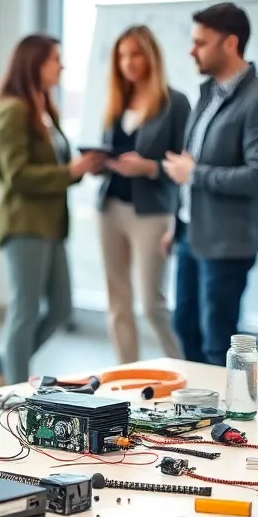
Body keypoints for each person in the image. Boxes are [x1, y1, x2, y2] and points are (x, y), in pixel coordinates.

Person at [0, 35, 105, 387]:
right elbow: (16, 174)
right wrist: (69, 171)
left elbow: (57, 166)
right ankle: (17, 391)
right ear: (34, 63)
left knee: (61, 307)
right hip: (24, 224)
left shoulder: (44, 109)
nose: (61, 66)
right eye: (54, 59)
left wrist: (78, 168)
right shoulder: (14, 110)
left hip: (50, 225)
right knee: (25, 311)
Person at [162, 3, 258, 366]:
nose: (192, 50)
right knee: (184, 326)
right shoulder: (209, 95)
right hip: (192, 234)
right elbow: (190, 162)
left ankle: (225, 404)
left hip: (227, 242)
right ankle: (201, 399)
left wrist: (195, 174)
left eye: (201, 43)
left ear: (230, 43)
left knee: (217, 341)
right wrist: (176, 224)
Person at [95, 26, 189, 363]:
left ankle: (185, 368)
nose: (128, 62)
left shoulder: (175, 103)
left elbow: (185, 166)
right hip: (110, 208)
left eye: (135, 54)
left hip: (152, 212)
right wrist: (99, 163)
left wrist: (147, 167)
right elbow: (112, 150)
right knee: (118, 301)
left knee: (152, 304)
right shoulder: (117, 101)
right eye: (122, 56)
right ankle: (127, 373)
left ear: (151, 56)